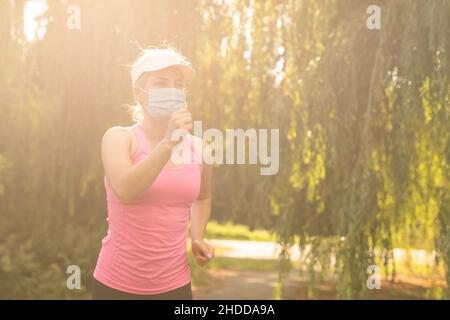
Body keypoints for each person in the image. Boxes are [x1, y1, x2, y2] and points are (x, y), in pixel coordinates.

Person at [92, 46, 214, 300]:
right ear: (139, 93)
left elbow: (202, 197)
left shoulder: (200, 147)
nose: (172, 90)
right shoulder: (119, 138)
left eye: (178, 84)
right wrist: (168, 143)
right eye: (160, 83)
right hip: (117, 285)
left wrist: (198, 237)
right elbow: (126, 190)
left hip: (175, 287)